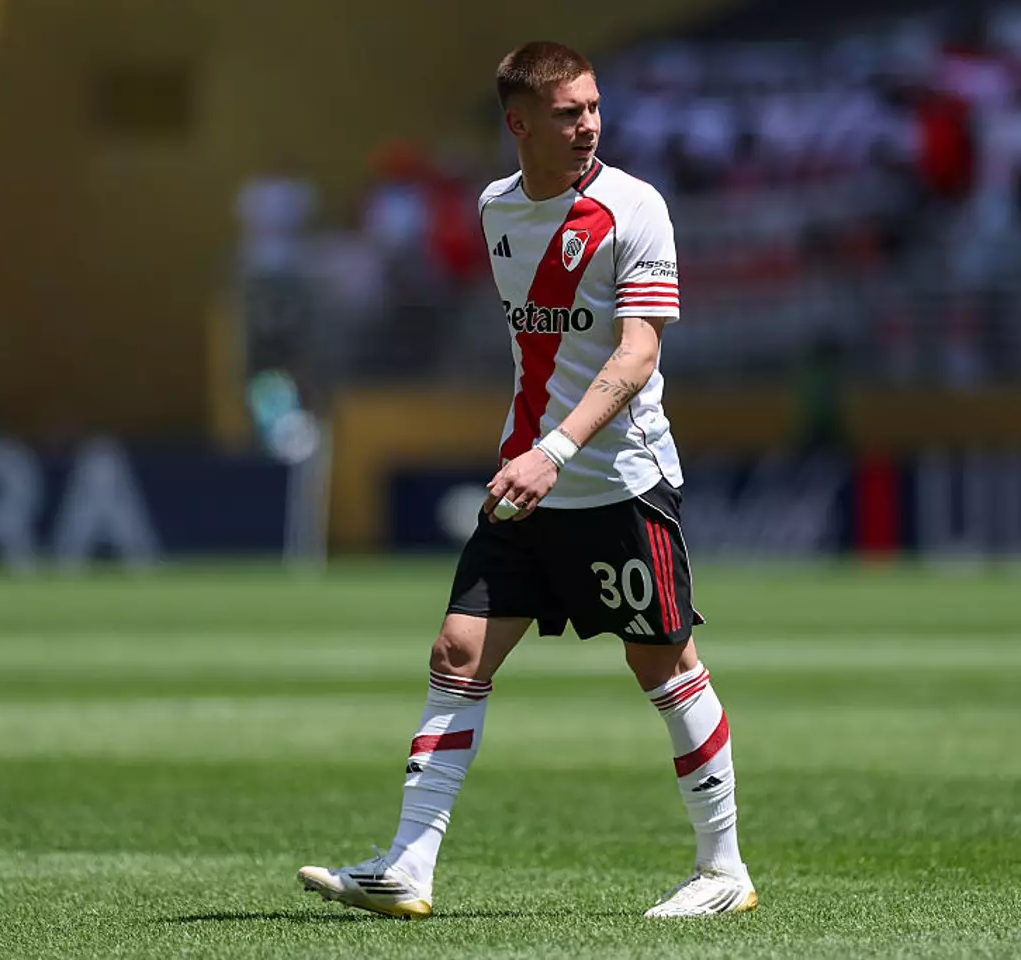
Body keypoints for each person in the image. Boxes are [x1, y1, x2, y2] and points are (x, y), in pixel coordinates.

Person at [297, 40, 756, 920]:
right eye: (567, 112)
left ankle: (723, 868)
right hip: (527, 484)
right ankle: (408, 865)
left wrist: (556, 449)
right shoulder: (495, 211)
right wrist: (533, 453)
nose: (588, 125)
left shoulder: (635, 209)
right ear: (519, 125)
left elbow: (639, 350)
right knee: (456, 652)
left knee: (663, 664)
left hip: (620, 479)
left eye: (592, 107)